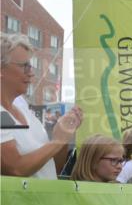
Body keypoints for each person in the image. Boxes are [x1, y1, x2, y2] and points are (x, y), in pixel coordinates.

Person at [1, 33, 83, 179]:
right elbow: (15, 169)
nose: (31, 73)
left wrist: (63, 135)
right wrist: (58, 141)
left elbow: (52, 168)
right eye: (24, 66)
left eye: (30, 66)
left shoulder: (25, 112)